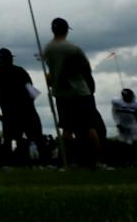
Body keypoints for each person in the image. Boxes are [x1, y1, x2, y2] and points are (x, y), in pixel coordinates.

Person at [42, 18, 100, 168]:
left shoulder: (47, 49)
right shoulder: (73, 48)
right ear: (66, 29)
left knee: (67, 130)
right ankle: (94, 161)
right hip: (80, 92)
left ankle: (67, 161)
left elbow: (50, 71)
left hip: (61, 93)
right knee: (89, 127)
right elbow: (86, 69)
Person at [0, 49, 41, 165]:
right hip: (26, 106)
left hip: (8, 107)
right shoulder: (20, 71)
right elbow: (30, 87)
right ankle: (38, 159)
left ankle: (9, 160)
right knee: (33, 134)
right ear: (11, 58)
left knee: (10, 137)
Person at [108, 88, 137, 161]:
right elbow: (114, 114)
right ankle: (125, 160)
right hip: (122, 124)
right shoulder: (117, 102)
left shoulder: (135, 104)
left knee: (136, 141)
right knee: (124, 142)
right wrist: (118, 124)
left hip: (133, 123)